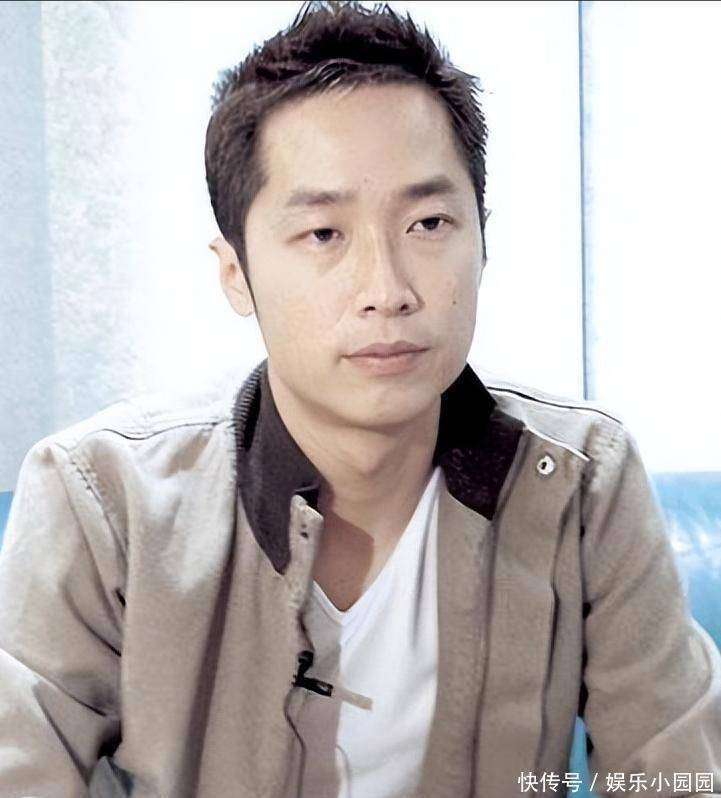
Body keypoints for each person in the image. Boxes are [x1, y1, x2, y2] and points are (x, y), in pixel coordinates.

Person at [1, 1, 720, 796]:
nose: (387, 289)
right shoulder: (105, 502)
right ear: (235, 273)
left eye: (429, 223)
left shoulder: (580, 481)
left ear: (482, 241)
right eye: (324, 235)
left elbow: (675, 777)